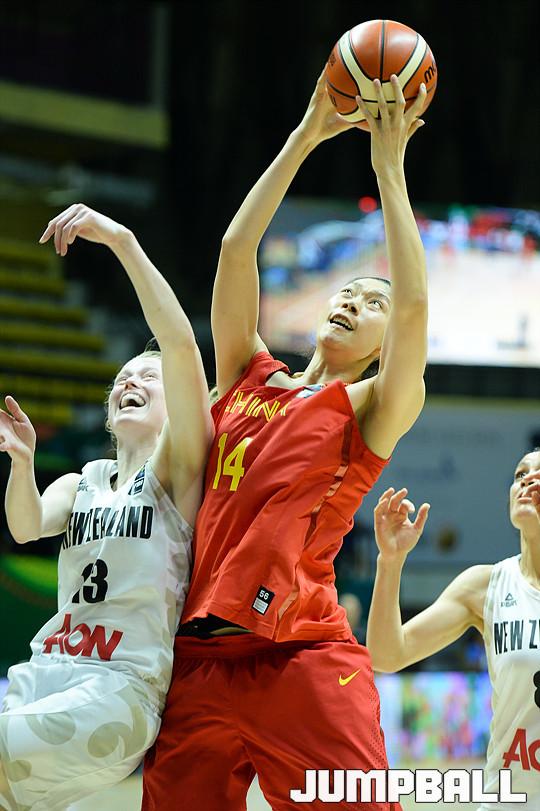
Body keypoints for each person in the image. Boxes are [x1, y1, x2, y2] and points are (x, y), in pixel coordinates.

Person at [142, 69, 428, 811]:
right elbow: (236, 249)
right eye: (348, 291)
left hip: (300, 652)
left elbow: (414, 309)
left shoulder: (370, 406)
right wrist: (306, 134)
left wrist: (388, 169)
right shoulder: (247, 374)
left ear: (381, 345)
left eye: (371, 304)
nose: (353, 300)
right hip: (199, 658)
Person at [0, 205, 212, 811]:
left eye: (147, 376)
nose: (129, 381)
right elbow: (25, 527)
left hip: (120, 689)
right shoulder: (82, 481)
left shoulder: (174, 471)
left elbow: (179, 344)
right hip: (44, 670)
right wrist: (22, 464)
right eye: (122, 377)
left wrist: (121, 240)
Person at [366, 447, 540, 810]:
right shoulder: (485, 586)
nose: (528, 480)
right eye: (520, 474)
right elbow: (386, 654)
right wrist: (391, 562)